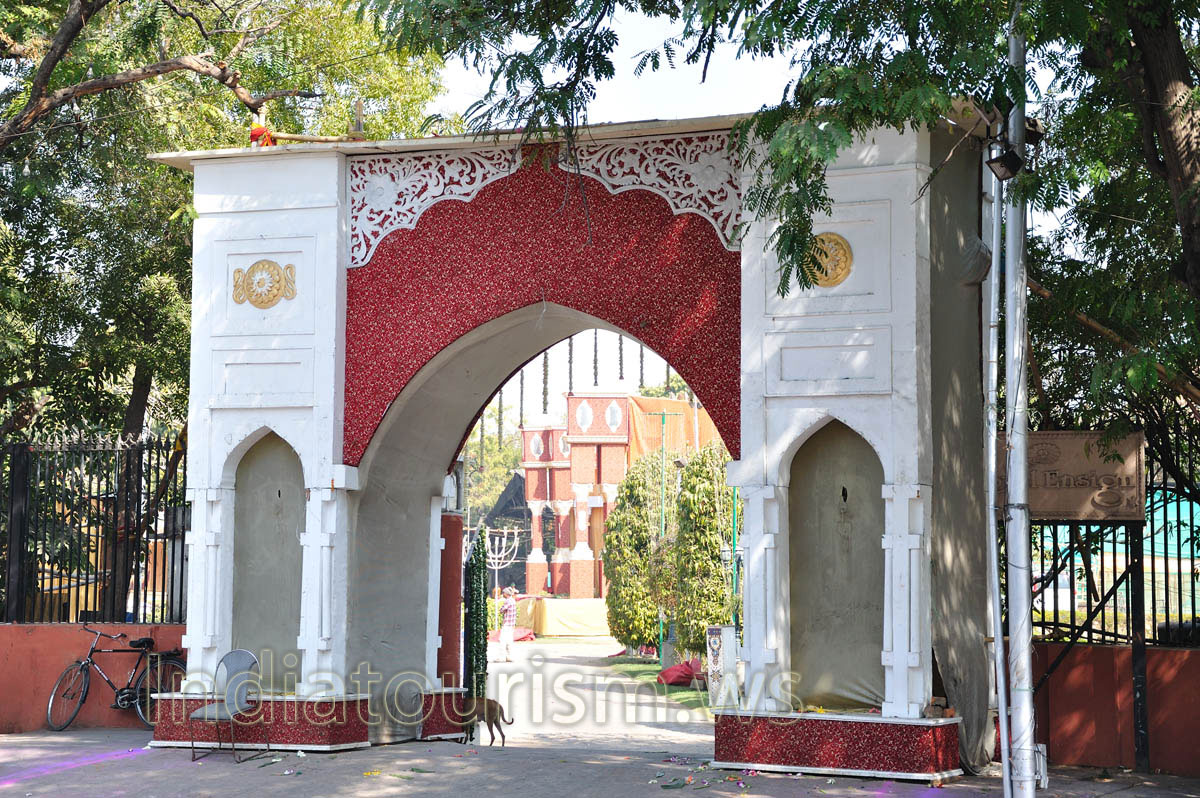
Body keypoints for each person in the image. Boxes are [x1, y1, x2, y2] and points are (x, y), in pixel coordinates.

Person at [498, 586, 518, 662]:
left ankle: (501, 657)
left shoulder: (507, 601)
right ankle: (509, 657)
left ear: (506, 594)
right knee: (509, 641)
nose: (503, 594)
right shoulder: (513, 600)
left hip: (506, 624)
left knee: (502, 641)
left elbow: (502, 610)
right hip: (512, 625)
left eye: (503, 593)